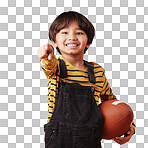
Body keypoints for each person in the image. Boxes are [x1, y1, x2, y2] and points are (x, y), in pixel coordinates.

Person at [37, 11, 135, 148]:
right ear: (54, 42)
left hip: (90, 140)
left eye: (79, 33)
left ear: (88, 42)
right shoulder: (56, 67)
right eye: (64, 32)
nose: (72, 37)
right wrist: (46, 55)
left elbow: (113, 103)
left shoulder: (97, 72)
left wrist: (128, 126)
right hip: (59, 140)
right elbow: (48, 66)